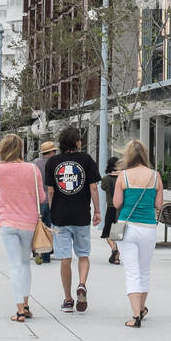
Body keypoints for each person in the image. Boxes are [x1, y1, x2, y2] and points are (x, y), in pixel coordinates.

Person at [42, 126, 102, 314]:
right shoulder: (86, 160)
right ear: (76, 142)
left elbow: (50, 190)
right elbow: (93, 188)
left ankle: (68, 300)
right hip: (81, 215)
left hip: (60, 217)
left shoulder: (52, 162)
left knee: (65, 259)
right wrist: (97, 211)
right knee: (83, 255)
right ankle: (82, 285)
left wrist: (52, 210)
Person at [0, 134, 43, 322]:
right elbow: (42, 197)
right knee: (24, 263)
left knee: (14, 265)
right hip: (28, 223)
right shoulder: (32, 168)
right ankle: (26, 304)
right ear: (21, 148)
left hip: (7, 222)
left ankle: (19, 310)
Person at [111, 140, 163, 328]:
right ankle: (141, 308)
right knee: (144, 271)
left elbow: (117, 204)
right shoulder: (155, 176)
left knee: (131, 272)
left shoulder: (123, 176)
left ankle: (136, 316)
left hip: (128, 227)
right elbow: (158, 205)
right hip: (148, 228)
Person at [31, 141, 57, 263]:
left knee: (38, 227)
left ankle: (37, 251)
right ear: (51, 152)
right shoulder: (55, 163)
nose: (56, 153)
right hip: (52, 199)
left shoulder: (35, 163)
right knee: (48, 227)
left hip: (37, 200)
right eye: (54, 151)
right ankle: (46, 255)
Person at [100, 156, 121, 265]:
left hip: (110, 208)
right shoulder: (122, 177)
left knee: (107, 233)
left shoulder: (106, 179)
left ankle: (113, 248)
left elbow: (103, 188)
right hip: (121, 209)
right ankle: (117, 258)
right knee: (118, 234)